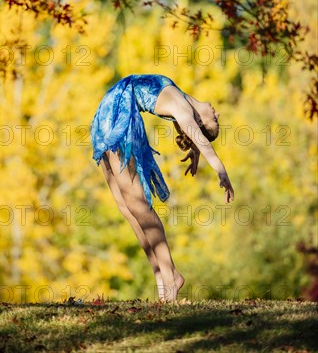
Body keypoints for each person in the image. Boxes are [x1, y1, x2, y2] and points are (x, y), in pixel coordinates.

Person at [90, 74, 234, 301]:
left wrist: (220, 168)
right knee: (126, 208)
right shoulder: (183, 105)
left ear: (199, 123)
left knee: (139, 206)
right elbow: (193, 131)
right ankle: (160, 275)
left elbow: (195, 131)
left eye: (214, 121)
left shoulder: (183, 110)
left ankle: (171, 277)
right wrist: (195, 150)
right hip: (109, 112)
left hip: (121, 117)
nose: (217, 114)